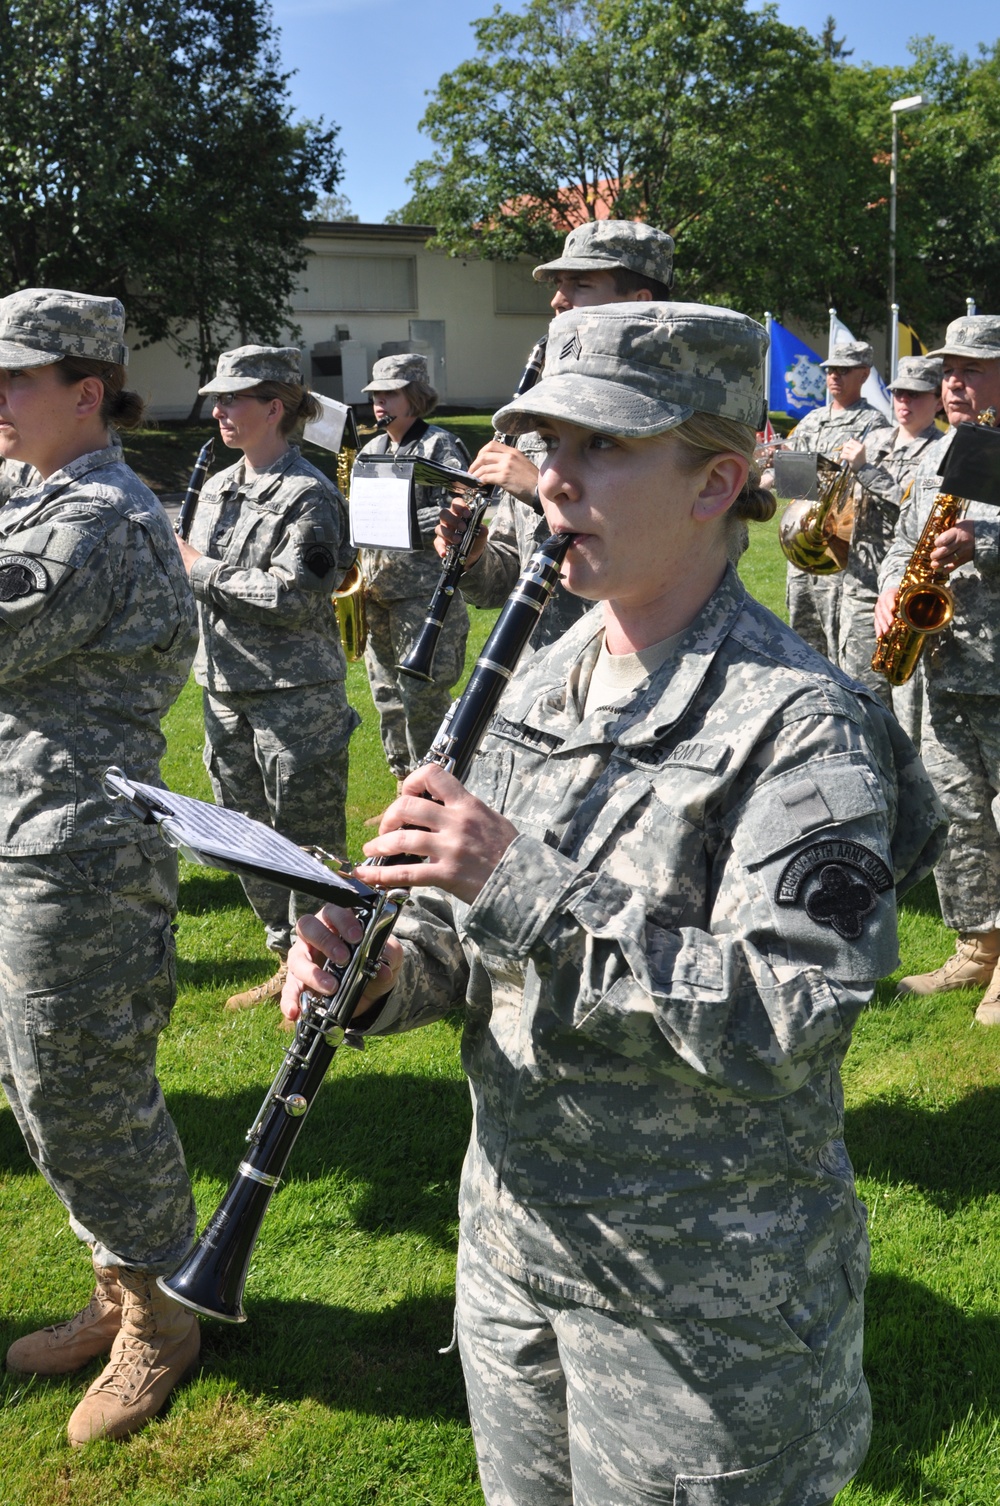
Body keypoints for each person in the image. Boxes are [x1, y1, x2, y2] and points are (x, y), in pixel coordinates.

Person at [283, 302, 945, 1504]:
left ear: (716, 485)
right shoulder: (540, 673)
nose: (553, 481)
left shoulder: (800, 725)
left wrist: (515, 879)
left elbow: (787, 1021)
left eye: (604, 448)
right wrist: (378, 976)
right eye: (547, 446)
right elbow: (455, 941)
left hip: (702, 1308)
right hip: (515, 1253)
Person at [0, 288, 200, 1445]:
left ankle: (162, 1320)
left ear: (89, 394)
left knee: (88, 1092)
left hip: (74, 854)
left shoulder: (95, 523)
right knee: (41, 1082)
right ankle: (121, 1285)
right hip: (28, 835)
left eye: (15, 381)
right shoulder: (42, 499)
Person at [176, 345, 359, 1011]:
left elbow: (297, 596)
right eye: (217, 399)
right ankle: (288, 957)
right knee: (243, 835)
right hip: (225, 687)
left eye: (234, 398)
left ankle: (332, 966)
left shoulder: (309, 493)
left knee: (306, 839)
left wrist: (196, 567)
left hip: (294, 696)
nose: (219, 410)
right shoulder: (219, 486)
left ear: (274, 407)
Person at [436, 219, 676, 650]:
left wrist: (539, 491)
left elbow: (687, 562)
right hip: (537, 675)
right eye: (558, 283)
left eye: (579, 284)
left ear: (639, 302)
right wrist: (473, 559)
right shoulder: (543, 412)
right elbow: (507, 575)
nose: (557, 300)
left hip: (639, 670)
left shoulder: (680, 417)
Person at [876, 315, 1000, 1020]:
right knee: (957, 813)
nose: (955, 381)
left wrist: (980, 539)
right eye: (950, 368)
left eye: (975, 368)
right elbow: (901, 539)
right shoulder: (932, 457)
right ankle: (977, 946)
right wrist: (893, 589)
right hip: (942, 665)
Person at [356, 353, 472, 784]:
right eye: (375, 395)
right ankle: (403, 787)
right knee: (387, 697)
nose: (379, 403)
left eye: (390, 393)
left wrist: (399, 523)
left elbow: (466, 508)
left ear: (415, 397)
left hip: (424, 597)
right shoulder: (370, 449)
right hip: (376, 594)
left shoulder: (439, 445)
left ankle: (435, 792)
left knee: (422, 698)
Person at [838, 354, 943, 734]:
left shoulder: (940, 452)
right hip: (861, 582)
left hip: (906, 591)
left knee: (907, 702)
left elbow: (914, 511)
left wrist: (866, 471)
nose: (904, 403)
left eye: (915, 395)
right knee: (858, 688)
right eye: (899, 393)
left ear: (937, 399)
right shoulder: (877, 439)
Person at [769, 339, 890, 663]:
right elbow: (790, 477)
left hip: (836, 546)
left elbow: (867, 484)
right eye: (829, 370)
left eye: (843, 370)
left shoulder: (874, 425)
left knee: (837, 636)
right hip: (800, 539)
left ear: (863, 374)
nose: (833, 376)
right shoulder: (812, 420)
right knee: (801, 631)